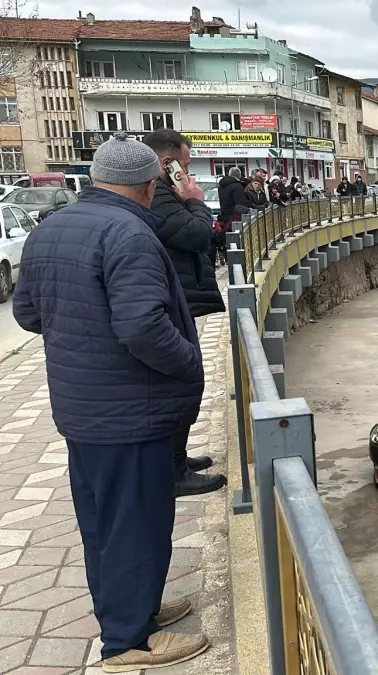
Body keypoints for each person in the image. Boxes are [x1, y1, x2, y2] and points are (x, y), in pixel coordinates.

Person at [12, 132, 210, 671]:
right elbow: (144, 327)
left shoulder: (50, 229)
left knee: (104, 524)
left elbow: (27, 314)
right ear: (149, 185)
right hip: (132, 410)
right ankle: (127, 642)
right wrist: (190, 362)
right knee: (138, 526)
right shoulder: (130, 234)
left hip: (83, 409)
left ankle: (131, 611)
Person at [142, 128, 228, 497]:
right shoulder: (160, 195)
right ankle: (173, 470)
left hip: (181, 300)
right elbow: (196, 235)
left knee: (186, 386)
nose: (188, 173)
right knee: (184, 386)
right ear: (167, 162)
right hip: (173, 301)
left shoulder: (162, 192)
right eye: (184, 165)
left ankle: (177, 457)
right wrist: (195, 199)